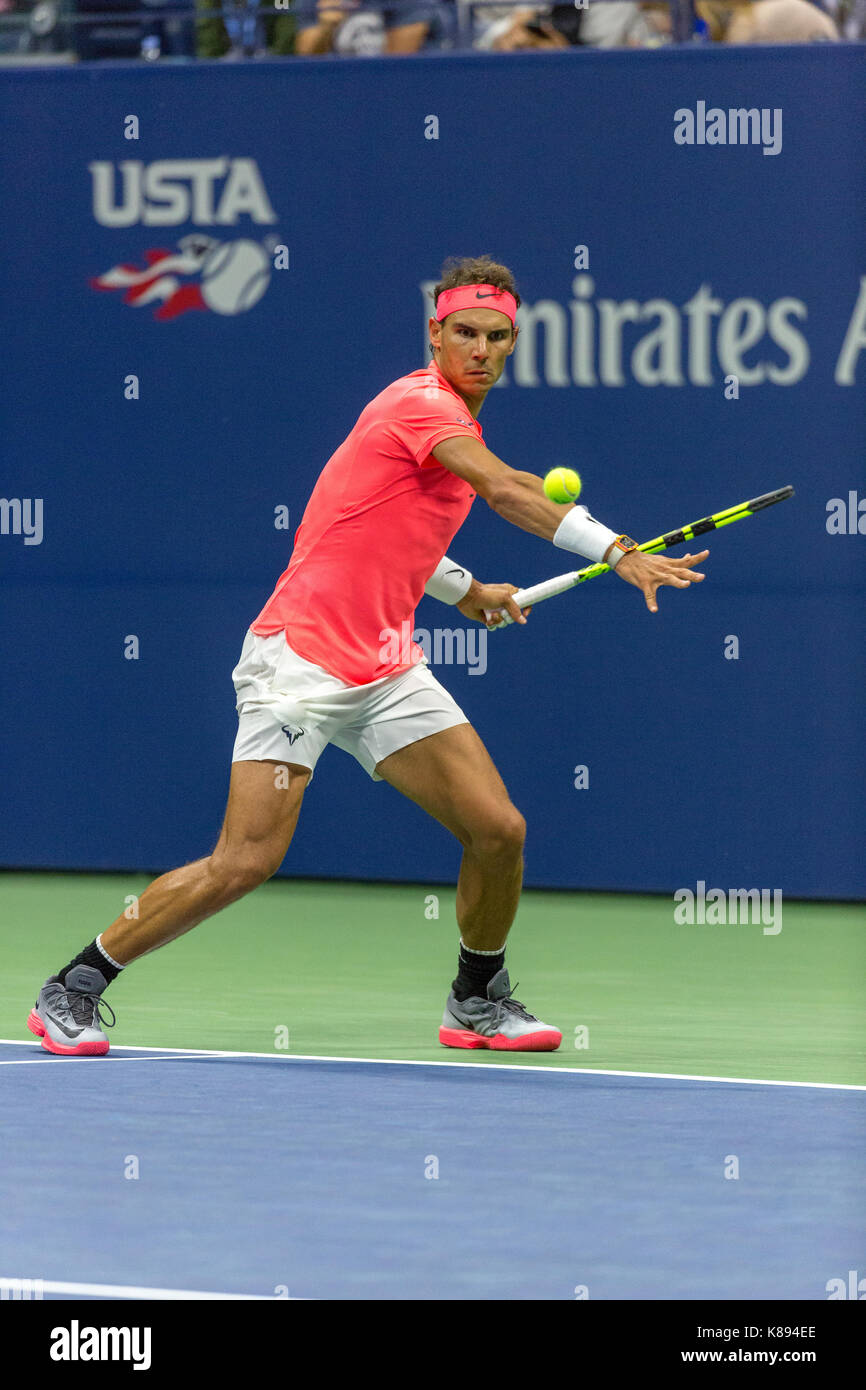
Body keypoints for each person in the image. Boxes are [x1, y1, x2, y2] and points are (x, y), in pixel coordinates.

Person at [27, 255, 708, 1059]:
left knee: (498, 830)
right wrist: (616, 548)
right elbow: (510, 492)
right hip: (299, 664)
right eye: (465, 333)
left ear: (513, 343)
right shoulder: (421, 404)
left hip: (386, 667)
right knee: (245, 860)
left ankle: (476, 1001)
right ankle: (74, 983)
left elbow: (387, 533)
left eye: (497, 336)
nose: (481, 349)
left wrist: (467, 592)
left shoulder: (456, 426)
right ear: (435, 334)